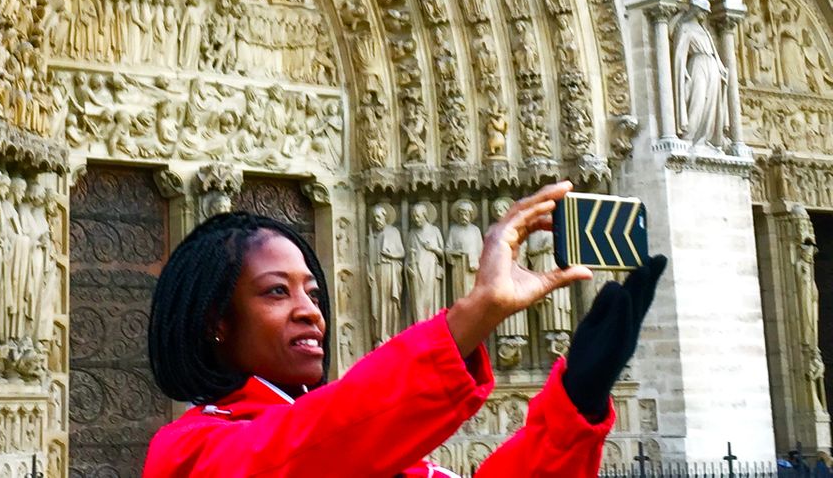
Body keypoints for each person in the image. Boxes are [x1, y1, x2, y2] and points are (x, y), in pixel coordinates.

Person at [144, 181, 667, 477]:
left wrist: (578, 399)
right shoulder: (190, 452)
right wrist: (474, 314)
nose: (310, 312)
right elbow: (307, 449)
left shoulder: (390, 460)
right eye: (277, 292)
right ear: (216, 322)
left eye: (314, 293)